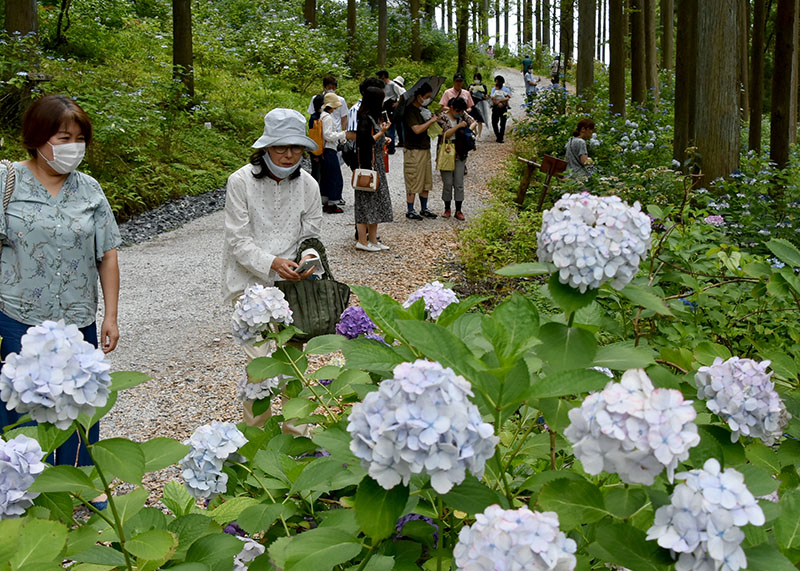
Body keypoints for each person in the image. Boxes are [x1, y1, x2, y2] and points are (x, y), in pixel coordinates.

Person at [0, 95, 121, 476]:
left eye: (79, 138)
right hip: (17, 317)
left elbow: (108, 254)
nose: (73, 148)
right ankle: (21, 488)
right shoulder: (7, 181)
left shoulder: (89, 190)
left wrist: (111, 316)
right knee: (20, 407)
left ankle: (81, 483)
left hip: (76, 319)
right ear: (36, 137)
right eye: (63, 137)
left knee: (78, 403)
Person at [222, 108, 323, 430]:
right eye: (280, 147)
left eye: (295, 147)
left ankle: (298, 435)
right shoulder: (240, 182)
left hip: (295, 284)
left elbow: (312, 233)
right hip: (250, 284)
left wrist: (307, 258)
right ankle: (258, 437)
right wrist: (273, 263)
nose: (288, 154)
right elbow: (237, 240)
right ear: (265, 148)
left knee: (294, 362)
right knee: (261, 365)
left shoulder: (309, 184)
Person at [354, 86, 394, 252]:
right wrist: (382, 133)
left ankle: (373, 239)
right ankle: (362, 241)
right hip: (368, 165)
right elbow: (364, 142)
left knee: (376, 201)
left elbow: (374, 140)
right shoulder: (364, 118)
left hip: (377, 163)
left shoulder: (373, 117)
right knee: (365, 202)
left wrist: (384, 138)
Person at [403, 82, 439, 220]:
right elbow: (416, 129)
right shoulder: (410, 111)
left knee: (425, 180)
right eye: (427, 96)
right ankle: (410, 210)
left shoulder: (424, 110)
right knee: (413, 179)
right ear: (419, 96)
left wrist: (434, 118)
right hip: (413, 150)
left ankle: (424, 208)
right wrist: (431, 121)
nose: (428, 99)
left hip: (425, 148)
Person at [437, 97, 476, 221]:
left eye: (461, 111)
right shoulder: (442, 117)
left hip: (460, 151)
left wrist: (469, 130)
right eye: (458, 111)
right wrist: (459, 126)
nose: (459, 113)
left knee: (459, 182)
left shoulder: (462, 114)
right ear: (452, 108)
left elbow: (473, 121)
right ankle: (447, 208)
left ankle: (458, 209)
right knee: (447, 182)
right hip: (446, 150)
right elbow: (445, 134)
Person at [319, 92, 347, 213]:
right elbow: (328, 135)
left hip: (324, 149)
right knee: (335, 177)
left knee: (326, 177)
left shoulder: (322, 115)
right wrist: (343, 134)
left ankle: (325, 200)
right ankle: (332, 202)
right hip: (329, 149)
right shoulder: (328, 118)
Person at [377, 70, 405, 155]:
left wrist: (398, 103)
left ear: (384, 76)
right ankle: (389, 146)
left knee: (390, 128)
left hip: (391, 107)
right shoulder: (382, 86)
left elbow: (403, 93)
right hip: (384, 107)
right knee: (386, 126)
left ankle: (391, 148)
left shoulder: (393, 85)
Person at [308, 94, 325, 185]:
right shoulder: (315, 119)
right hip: (316, 151)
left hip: (319, 149)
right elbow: (315, 136)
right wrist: (316, 154)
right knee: (316, 173)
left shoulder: (319, 116)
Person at [490, 75, 511, 143]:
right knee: (494, 122)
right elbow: (492, 98)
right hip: (496, 107)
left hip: (503, 106)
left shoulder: (506, 89)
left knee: (503, 122)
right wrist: (497, 103)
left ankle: (501, 137)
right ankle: (498, 135)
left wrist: (501, 101)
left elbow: (508, 97)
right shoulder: (494, 89)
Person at [469, 72, 490, 139]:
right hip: (472, 104)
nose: (476, 80)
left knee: (480, 120)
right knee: (472, 119)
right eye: (475, 79)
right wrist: (470, 91)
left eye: (477, 79)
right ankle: (475, 131)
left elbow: (485, 96)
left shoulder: (483, 86)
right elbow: (468, 95)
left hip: (480, 104)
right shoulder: (471, 86)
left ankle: (480, 135)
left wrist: (484, 95)